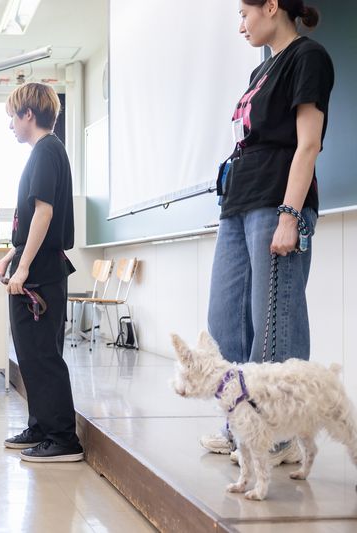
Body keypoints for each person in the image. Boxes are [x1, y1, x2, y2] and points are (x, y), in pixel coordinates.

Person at [202, 0, 334, 463]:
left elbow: (309, 142)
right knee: (225, 321)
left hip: (275, 204)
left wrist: (289, 214)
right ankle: (244, 424)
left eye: (244, 13)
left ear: (272, 7)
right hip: (238, 204)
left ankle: (278, 436)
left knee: (274, 327)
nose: (241, 24)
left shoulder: (307, 57)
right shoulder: (260, 72)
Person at [0, 82, 84, 463]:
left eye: (13, 116)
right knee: (30, 353)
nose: (10, 124)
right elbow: (30, 218)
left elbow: (44, 213)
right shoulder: (43, 153)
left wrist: (24, 266)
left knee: (43, 354)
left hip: (41, 270)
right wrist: (10, 256)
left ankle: (63, 438)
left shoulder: (46, 151)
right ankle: (42, 425)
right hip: (33, 266)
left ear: (28, 114)